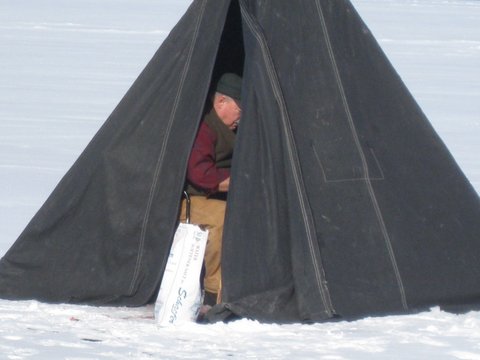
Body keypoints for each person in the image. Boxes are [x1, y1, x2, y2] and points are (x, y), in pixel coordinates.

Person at [180, 73, 242, 307]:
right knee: (222, 217)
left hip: (215, 195)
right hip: (191, 199)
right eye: (239, 108)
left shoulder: (233, 129)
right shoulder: (204, 128)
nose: (240, 116)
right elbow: (200, 175)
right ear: (221, 102)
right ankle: (214, 290)